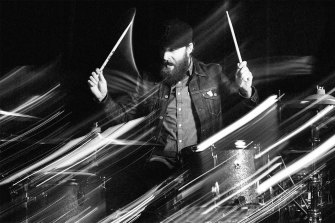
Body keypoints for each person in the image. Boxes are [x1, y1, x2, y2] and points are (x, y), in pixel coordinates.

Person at [88, 18, 258, 213]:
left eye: (173, 50)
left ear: (189, 48)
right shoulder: (150, 80)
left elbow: (242, 111)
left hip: (201, 166)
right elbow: (123, 117)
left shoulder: (212, 74)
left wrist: (246, 90)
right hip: (160, 168)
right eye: (164, 49)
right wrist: (104, 99)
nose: (166, 56)